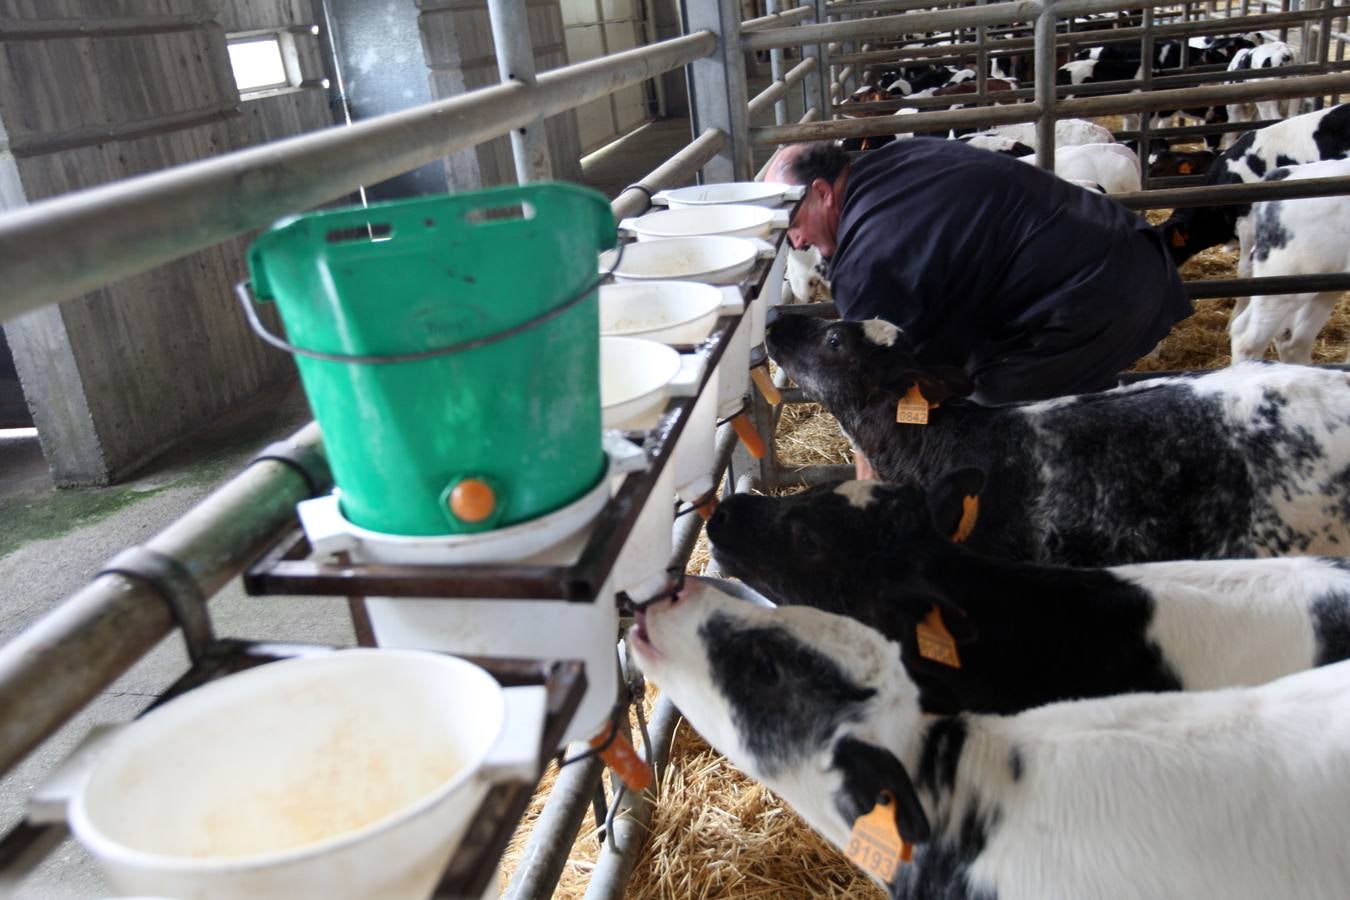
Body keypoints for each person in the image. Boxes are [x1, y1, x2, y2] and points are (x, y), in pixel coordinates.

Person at [764, 138, 1193, 407]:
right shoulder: (893, 159)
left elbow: (876, 391)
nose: (796, 242)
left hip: (1097, 297)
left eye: (793, 224)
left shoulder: (866, 261)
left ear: (820, 193)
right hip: (1129, 255)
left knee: (997, 409)